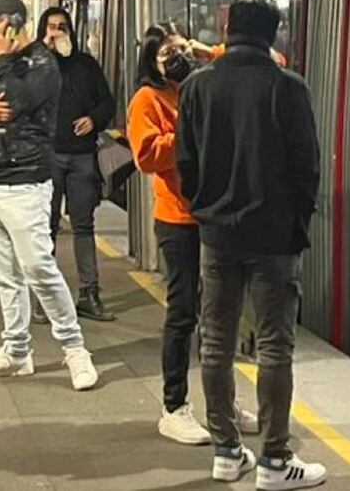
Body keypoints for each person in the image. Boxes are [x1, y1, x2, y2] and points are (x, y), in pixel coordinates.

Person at [176, 0, 324, 489]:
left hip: (217, 235)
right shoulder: (288, 88)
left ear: (226, 29)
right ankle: (275, 461)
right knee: (274, 346)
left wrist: (205, 206)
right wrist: (297, 219)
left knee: (214, 340)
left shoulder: (197, 88)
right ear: (273, 35)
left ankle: (225, 452)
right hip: (275, 238)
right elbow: (307, 168)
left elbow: (185, 163)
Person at [0, 0, 99, 391]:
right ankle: (16, 351)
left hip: (24, 183)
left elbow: (15, 101)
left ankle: (75, 349)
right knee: (5, 274)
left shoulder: (40, 63)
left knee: (38, 266)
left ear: (15, 23)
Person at [127, 23, 259, 446]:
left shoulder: (201, 84)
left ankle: (223, 403)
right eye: (169, 53)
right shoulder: (147, 99)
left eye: (183, 49)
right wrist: (191, 132)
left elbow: (265, 64)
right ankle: (173, 407)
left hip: (215, 216)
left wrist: (208, 49)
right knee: (183, 313)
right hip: (178, 220)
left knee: (219, 315)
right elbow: (146, 155)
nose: (180, 58)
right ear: (152, 60)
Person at [32, 6, 115, 324]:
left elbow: (106, 100)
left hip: (82, 156)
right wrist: (44, 53)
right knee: (46, 228)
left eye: (62, 27)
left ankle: (89, 294)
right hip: (48, 155)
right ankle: (45, 298)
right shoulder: (36, 65)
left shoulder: (85, 65)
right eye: (51, 27)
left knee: (84, 225)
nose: (57, 33)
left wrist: (93, 120)